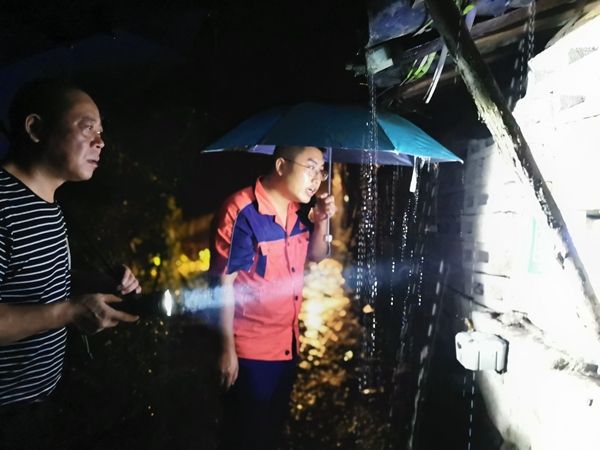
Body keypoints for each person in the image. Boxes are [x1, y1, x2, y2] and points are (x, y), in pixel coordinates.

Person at [0, 78, 141, 446]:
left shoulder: (48, 205)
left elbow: (40, 278)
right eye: (87, 127)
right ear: (35, 128)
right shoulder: (2, 206)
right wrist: (69, 313)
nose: (100, 141)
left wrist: (99, 284)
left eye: (101, 130)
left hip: (38, 401)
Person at [210, 145, 337, 450]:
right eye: (310, 167)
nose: (317, 178)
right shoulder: (242, 211)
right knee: (243, 437)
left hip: (288, 346)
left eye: (321, 170)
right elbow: (221, 286)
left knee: (271, 434)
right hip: (250, 354)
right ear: (281, 165)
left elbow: (317, 256)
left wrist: (320, 220)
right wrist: (227, 350)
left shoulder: (299, 212)